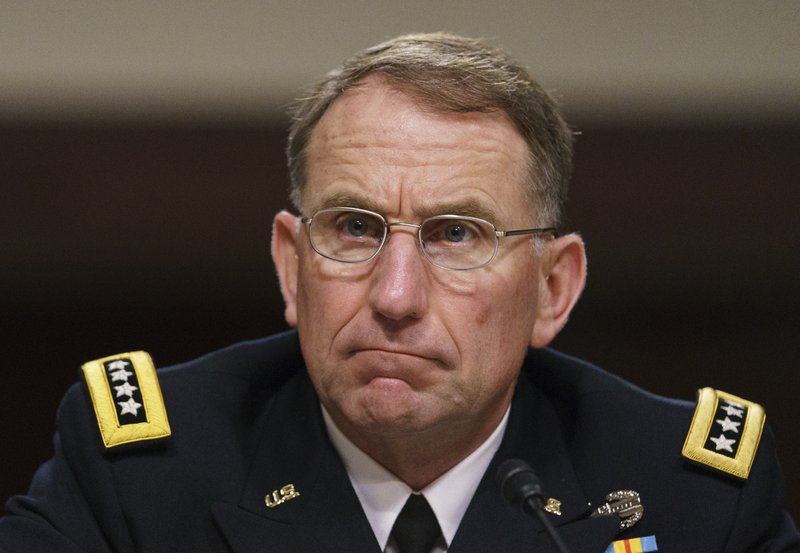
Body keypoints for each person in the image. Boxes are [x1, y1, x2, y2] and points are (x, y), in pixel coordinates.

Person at [1, 32, 797, 553]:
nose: (396, 294)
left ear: (554, 289)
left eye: (457, 235)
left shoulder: (689, 499)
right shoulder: (142, 476)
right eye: (354, 227)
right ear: (290, 264)